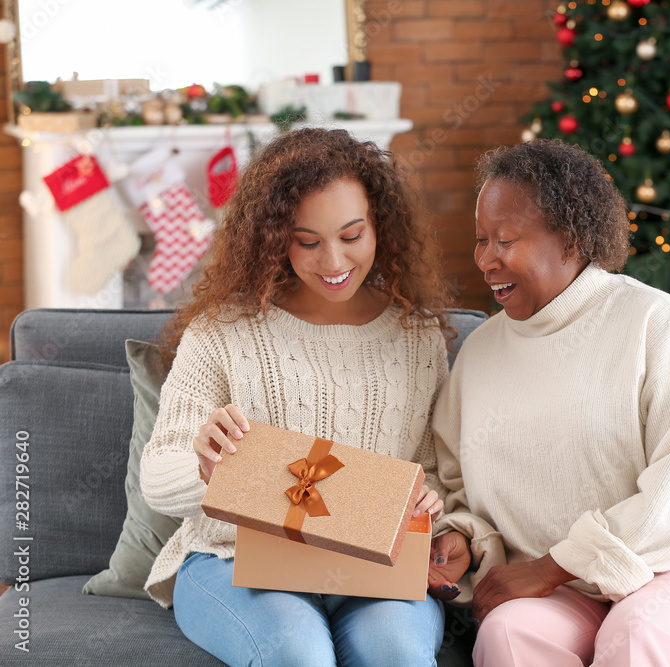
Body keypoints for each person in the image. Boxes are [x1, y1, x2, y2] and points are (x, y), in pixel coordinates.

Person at [427, 139, 670, 666]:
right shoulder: (478, 356)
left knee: (637, 637)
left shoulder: (655, 324)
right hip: (567, 594)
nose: (484, 260)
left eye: (504, 241)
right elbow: (454, 483)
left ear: (569, 240)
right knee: (506, 637)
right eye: (480, 240)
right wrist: (460, 537)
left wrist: (550, 567)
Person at [140, 128, 453, 666]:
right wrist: (205, 467)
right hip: (230, 558)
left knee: (397, 653)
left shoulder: (418, 337)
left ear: (381, 227)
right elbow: (156, 479)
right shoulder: (223, 332)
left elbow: (427, 471)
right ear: (274, 237)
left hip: (373, 567)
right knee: (297, 654)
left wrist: (427, 501)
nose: (333, 260)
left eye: (352, 235)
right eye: (307, 241)